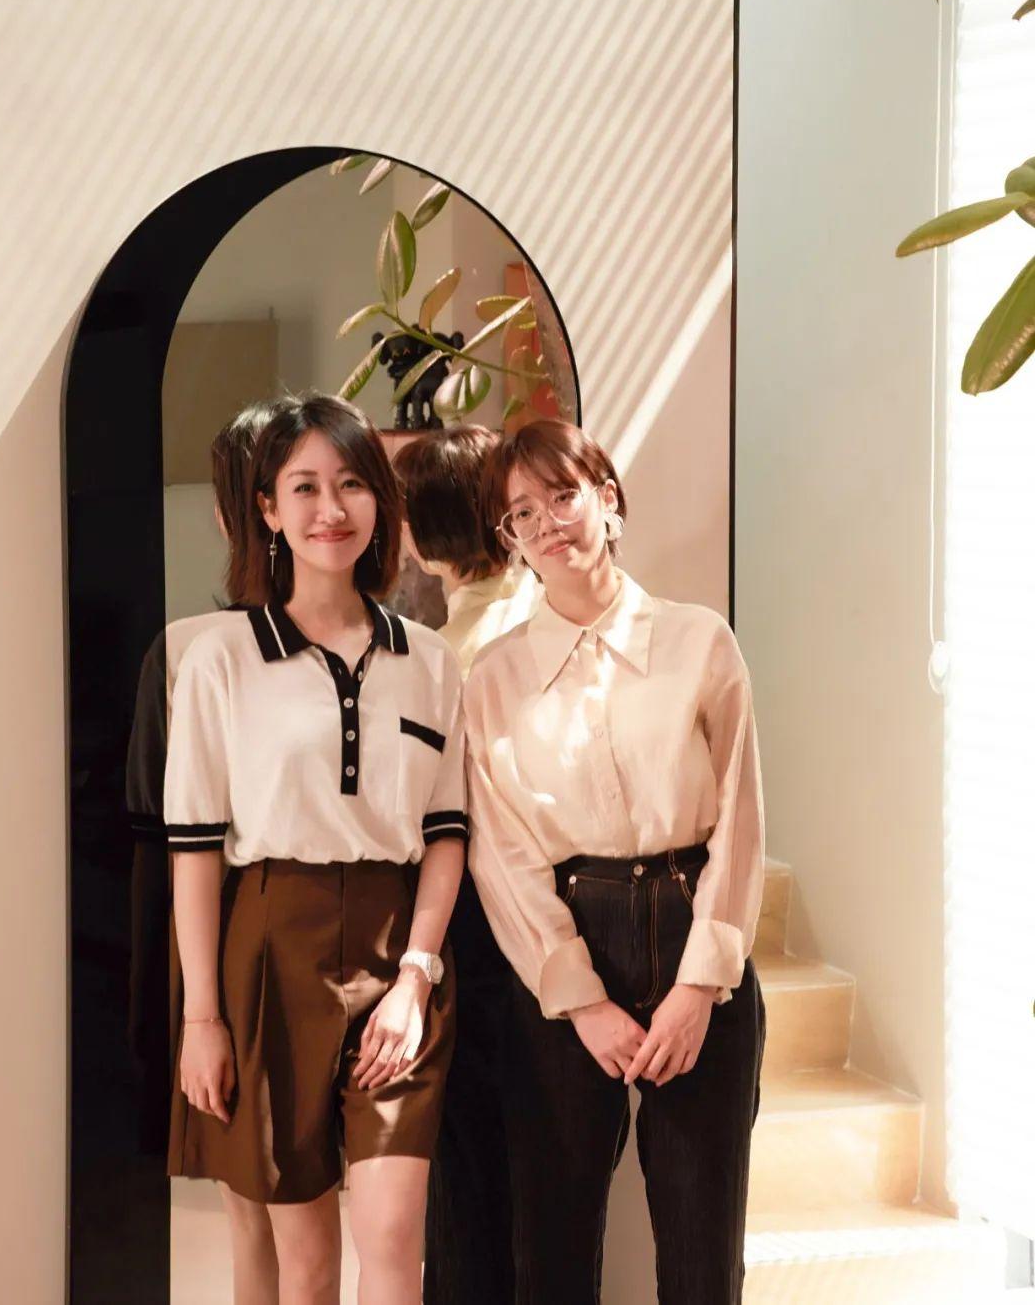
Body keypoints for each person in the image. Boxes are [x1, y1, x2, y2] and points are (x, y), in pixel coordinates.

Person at [164, 391, 467, 1305]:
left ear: (380, 501)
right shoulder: (221, 659)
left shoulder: (430, 660)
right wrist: (204, 1020)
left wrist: (416, 978)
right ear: (268, 510)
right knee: (305, 1260)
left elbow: (446, 835)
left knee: (394, 1237)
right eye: (304, 488)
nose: (330, 509)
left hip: (398, 951)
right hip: (269, 945)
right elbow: (194, 849)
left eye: (351, 485)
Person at [464, 419, 766, 1305]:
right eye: (523, 513)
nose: (548, 523)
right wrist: (582, 1000)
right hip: (563, 946)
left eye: (563, 495)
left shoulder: (701, 641)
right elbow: (503, 854)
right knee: (551, 1252)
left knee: (703, 1254)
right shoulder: (493, 678)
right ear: (511, 540)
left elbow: (741, 819)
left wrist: (701, 983)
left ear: (608, 500)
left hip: (692, 923)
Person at [126, 399, 281, 1301]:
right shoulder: (391, 642)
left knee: (253, 1214)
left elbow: (156, 840)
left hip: (221, 950)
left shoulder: (186, 650)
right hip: (286, 951)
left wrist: (169, 1012)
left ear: (227, 516)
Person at [393, 426, 539, 1305]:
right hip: (549, 910)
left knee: (470, 1153)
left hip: (479, 917)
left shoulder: (450, 654)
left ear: (424, 528)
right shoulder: (540, 610)